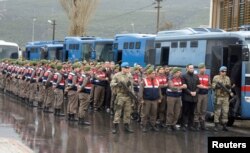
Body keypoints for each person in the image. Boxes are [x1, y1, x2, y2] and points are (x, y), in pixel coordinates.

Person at [110, 62, 134, 134]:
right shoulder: (117, 75)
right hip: (120, 95)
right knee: (118, 111)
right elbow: (112, 84)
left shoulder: (130, 75)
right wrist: (118, 84)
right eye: (126, 68)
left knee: (128, 112)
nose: (128, 69)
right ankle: (115, 126)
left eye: (128, 68)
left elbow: (131, 86)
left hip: (128, 96)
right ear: (123, 68)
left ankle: (126, 126)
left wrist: (132, 95)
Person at [140, 68, 162, 132]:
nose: (154, 74)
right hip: (147, 100)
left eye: (154, 73)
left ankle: (153, 125)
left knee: (154, 113)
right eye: (152, 73)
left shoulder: (157, 80)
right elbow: (141, 91)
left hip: (155, 100)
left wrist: (160, 98)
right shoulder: (144, 81)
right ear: (148, 74)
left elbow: (159, 90)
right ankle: (144, 126)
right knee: (145, 114)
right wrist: (141, 99)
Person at [212, 66, 232, 131]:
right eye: (223, 71)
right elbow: (213, 86)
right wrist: (217, 86)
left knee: (225, 111)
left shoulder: (227, 78)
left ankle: (224, 125)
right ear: (220, 71)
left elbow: (229, 87)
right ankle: (216, 126)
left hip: (226, 97)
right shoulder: (216, 77)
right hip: (218, 97)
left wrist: (228, 87)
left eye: (225, 71)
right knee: (217, 112)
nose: (224, 73)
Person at [181, 64, 200, 131]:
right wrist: (190, 92)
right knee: (185, 112)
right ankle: (183, 125)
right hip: (186, 97)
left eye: (192, 68)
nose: (192, 69)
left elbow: (198, 86)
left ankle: (190, 125)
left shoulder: (196, 76)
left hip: (194, 98)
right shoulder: (183, 76)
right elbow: (184, 87)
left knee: (192, 112)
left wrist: (196, 92)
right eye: (190, 68)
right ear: (187, 68)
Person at [195, 63, 210, 130]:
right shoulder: (196, 76)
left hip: (205, 95)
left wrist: (208, 87)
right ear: (199, 69)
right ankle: (196, 124)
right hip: (198, 94)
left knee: (203, 110)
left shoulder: (207, 76)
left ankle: (202, 124)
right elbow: (194, 85)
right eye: (202, 68)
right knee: (197, 109)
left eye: (204, 68)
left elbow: (210, 85)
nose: (203, 69)